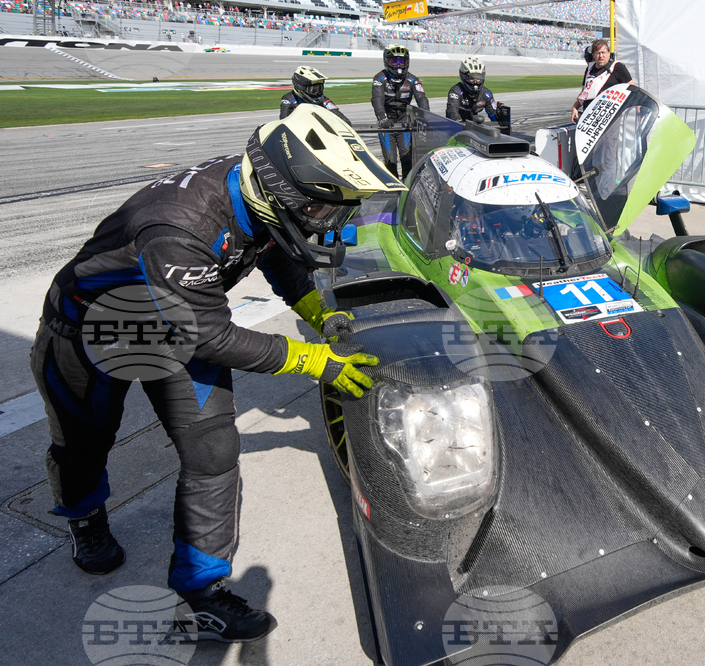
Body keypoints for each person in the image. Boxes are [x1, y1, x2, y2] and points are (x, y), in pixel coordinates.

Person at [30, 106, 404, 643]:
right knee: (84, 444)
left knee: (212, 453)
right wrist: (312, 359)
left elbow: (275, 254)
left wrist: (320, 314)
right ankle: (85, 520)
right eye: (323, 208)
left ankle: (202, 596)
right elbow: (211, 337)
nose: (331, 222)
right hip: (94, 330)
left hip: (182, 318)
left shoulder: (255, 187)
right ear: (281, 191)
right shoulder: (180, 227)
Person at [371, 44, 429, 179]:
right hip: (386, 123)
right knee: (390, 161)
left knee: (407, 159)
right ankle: (393, 189)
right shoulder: (379, 78)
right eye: (394, 61)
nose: (398, 65)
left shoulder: (413, 79)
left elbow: (422, 98)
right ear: (386, 61)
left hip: (404, 122)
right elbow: (377, 99)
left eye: (402, 61)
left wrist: (426, 117)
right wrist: (382, 118)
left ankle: (407, 189)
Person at [571, 38, 635, 123]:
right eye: (597, 53)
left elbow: (632, 88)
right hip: (589, 117)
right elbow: (584, 92)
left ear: (608, 53)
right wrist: (575, 107)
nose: (601, 56)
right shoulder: (589, 69)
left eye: (603, 52)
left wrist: (639, 112)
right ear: (593, 55)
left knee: (609, 137)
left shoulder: (617, 67)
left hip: (608, 118)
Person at [445, 56, 507, 127]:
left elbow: (493, 116)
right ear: (464, 76)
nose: (475, 82)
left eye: (478, 78)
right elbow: (452, 111)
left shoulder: (487, 94)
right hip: (455, 127)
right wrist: (459, 122)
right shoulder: (456, 91)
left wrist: (500, 114)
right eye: (472, 78)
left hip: (474, 127)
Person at [280, 65, 351, 125]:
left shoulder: (323, 100)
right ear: (299, 87)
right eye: (312, 89)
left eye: (318, 88)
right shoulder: (288, 99)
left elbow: (342, 118)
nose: (316, 92)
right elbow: (284, 120)